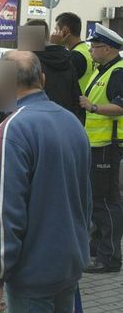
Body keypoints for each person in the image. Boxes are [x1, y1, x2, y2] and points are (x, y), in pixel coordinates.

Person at [0, 51, 91, 313]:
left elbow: (3, 210)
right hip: (68, 266)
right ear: (42, 78)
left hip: (32, 274)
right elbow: (85, 198)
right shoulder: (72, 123)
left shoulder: (12, 130)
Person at [78, 23, 123, 273]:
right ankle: (99, 247)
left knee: (106, 202)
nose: (91, 51)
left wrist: (92, 107)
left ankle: (110, 258)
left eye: (94, 47)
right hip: (96, 145)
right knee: (97, 200)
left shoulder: (118, 72)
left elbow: (121, 107)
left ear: (107, 48)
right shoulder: (104, 69)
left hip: (108, 145)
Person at [26, 19, 84, 124]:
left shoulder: (27, 63)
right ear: (47, 36)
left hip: (35, 124)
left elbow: (2, 108)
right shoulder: (67, 60)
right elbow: (76, 97)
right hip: (66, 123)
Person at [51, 12, 95, 93]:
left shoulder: (75, 56)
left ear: (65, 31)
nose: (54, 34)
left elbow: (55, 80)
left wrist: (54, 46)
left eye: (56, 30)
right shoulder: (87, 50)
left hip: (77, 102)